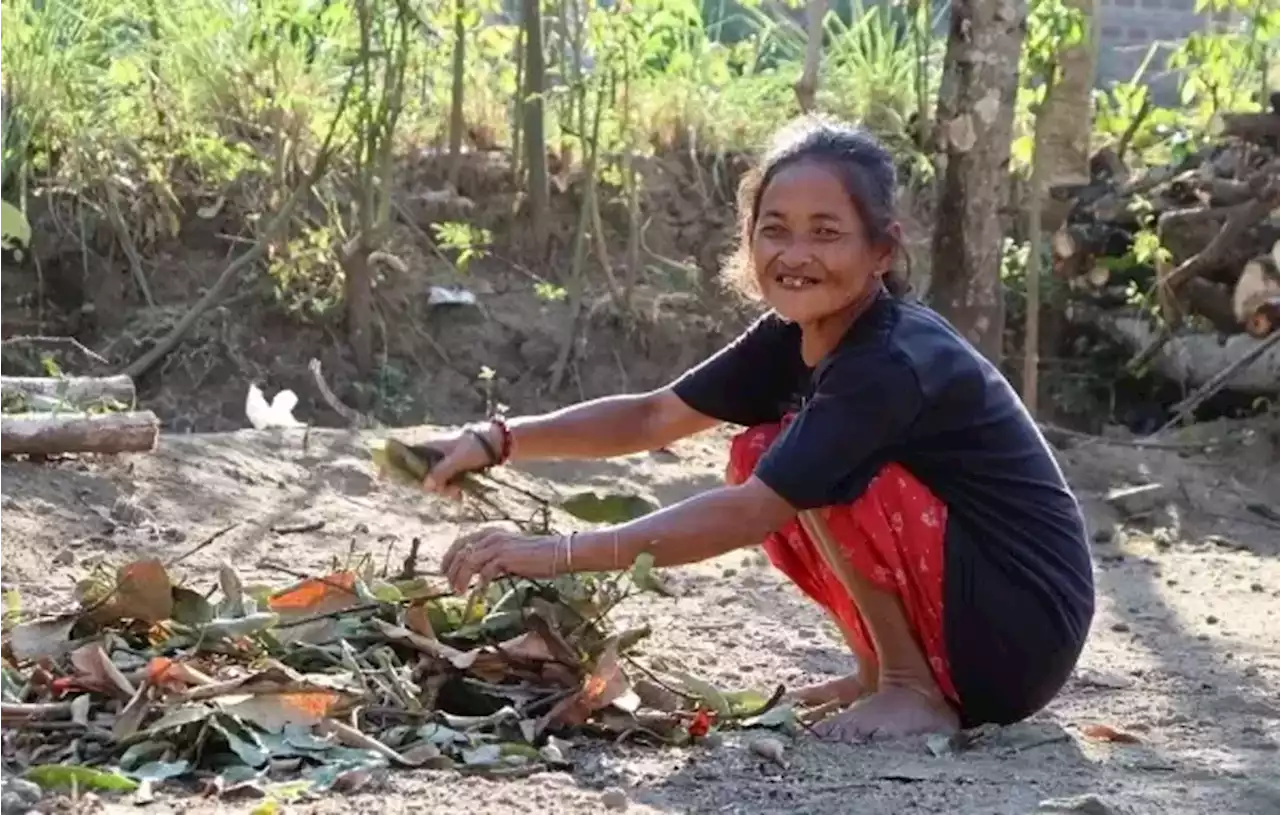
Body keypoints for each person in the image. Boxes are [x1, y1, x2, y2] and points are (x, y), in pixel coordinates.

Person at [421, 116, 1095, 742]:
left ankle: (910, 684)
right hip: (987, 624)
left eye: (826, 232)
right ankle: (879, 671)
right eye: (775, 229)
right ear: (749, 240)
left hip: (1018, 637)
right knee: (761, 449)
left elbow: (748, 514)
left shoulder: (886, 360)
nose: (795, 254)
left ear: (882, 251)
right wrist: (497, 440)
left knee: (796, 464)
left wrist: (554, 551)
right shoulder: (800, 332)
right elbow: (655, 415)